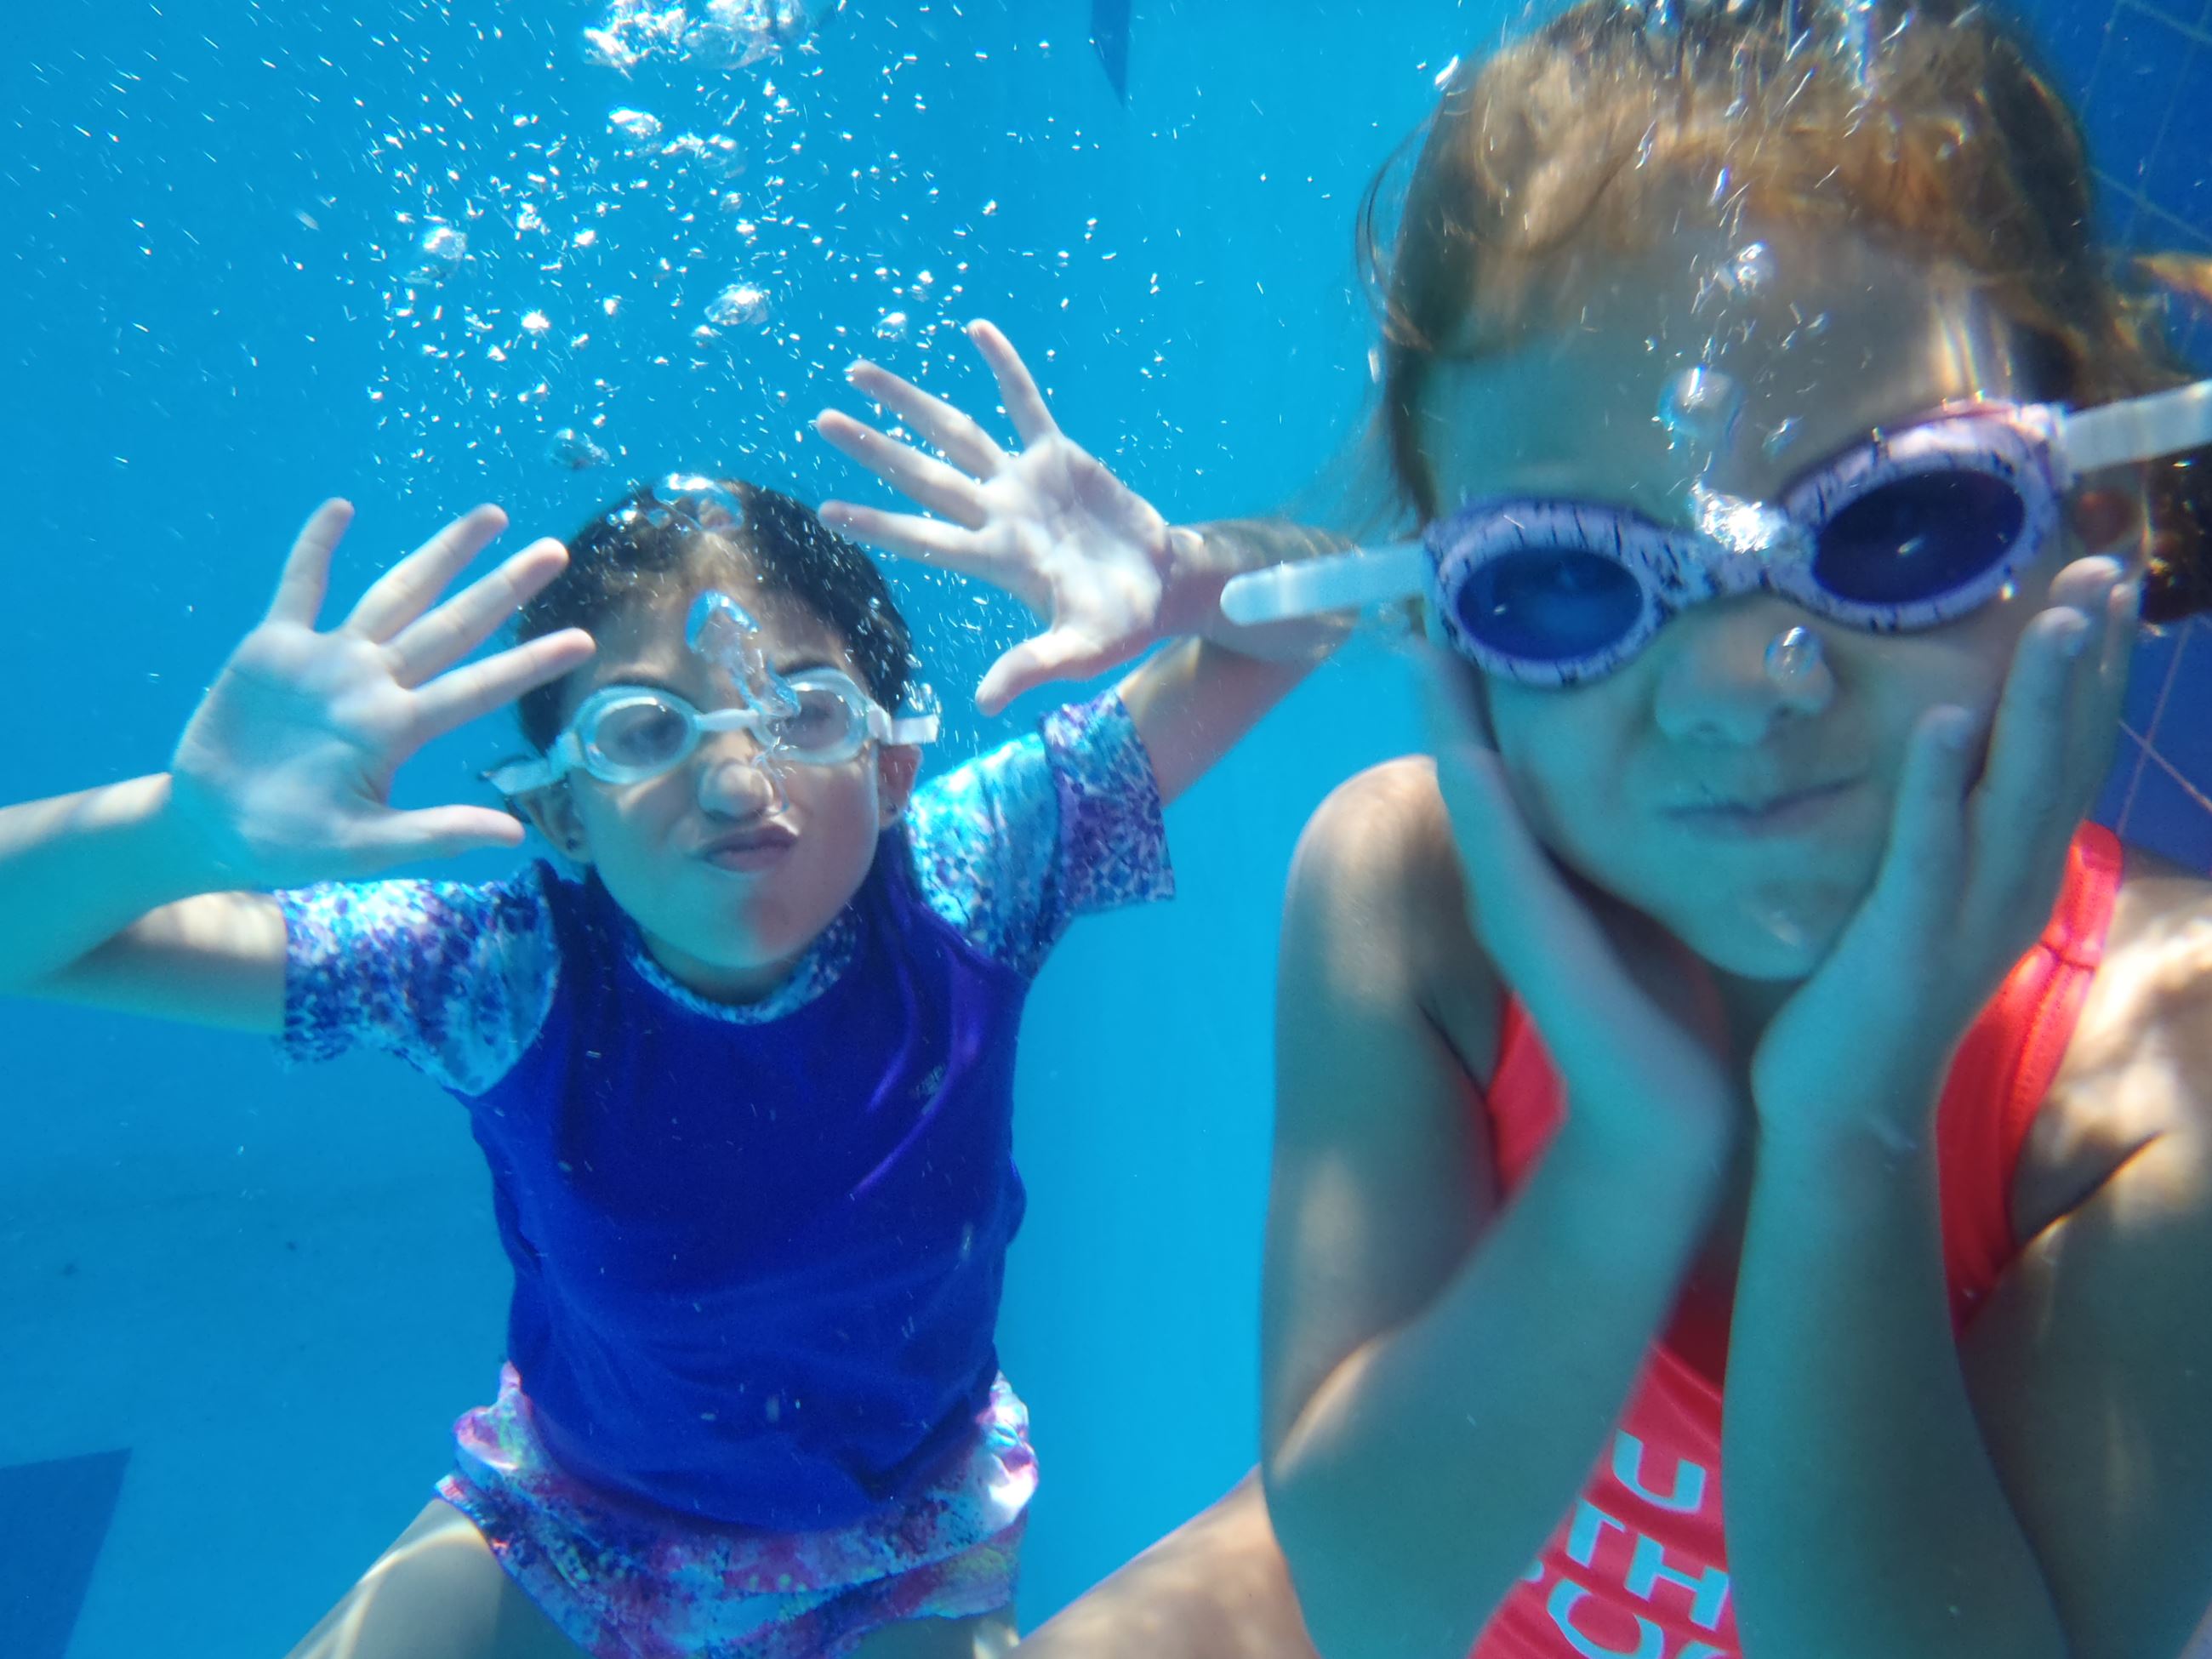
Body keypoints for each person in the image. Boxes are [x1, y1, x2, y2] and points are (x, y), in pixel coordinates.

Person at [1017, 2, 2212, 1654]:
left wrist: (1850, 1129)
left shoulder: (2159, 1053)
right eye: (1567, 577)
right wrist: (1630, 1146)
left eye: (1901, 522)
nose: (1737, 682)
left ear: (2092, 515)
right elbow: (1368, 1600)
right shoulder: (1411, 899)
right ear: (1449, 619)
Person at [0, 323, 1337, 1659]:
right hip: (577, 1522)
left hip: (909, 1541)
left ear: (889, 767)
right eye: (643, 731)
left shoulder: (973, 875)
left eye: (802, 711)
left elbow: (1322, 606)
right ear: (564, 815)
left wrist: (1183, 576)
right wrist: (181, 830)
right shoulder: (497, 972)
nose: (736, 780)